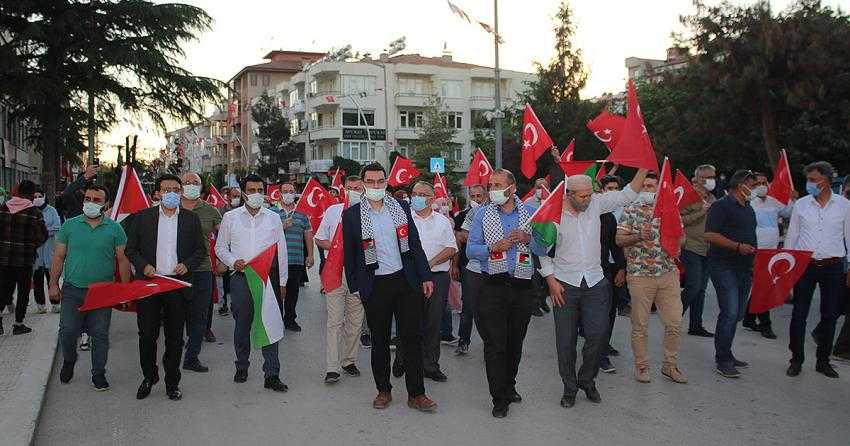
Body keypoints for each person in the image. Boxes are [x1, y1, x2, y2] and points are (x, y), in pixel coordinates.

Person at [535, 169, 647, 410]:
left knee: (597, 337)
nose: (588, 200)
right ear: (569, 194)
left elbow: (628, 195)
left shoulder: (596, 204)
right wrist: (551, 281)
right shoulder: (553, 212)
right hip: (564, 285)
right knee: (566, 341)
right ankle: (569, 387)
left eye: (590, 195)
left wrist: (644, 166)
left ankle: (587, 379)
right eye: (583, 197)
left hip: (596, 283)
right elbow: (542, 249)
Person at [341, 163, 436, 413]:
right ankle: (383, 390)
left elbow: (415, 245)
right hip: (375, 285)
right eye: (370, 182)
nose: (375, 186)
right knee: (380, 341)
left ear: (386, 182)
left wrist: (425, 275)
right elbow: (350, 257)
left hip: (406, 282)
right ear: (362, 184)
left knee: (412, 340)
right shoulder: (352, 216)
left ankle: (417, 394)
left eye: (380, 181)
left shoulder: (401, 208)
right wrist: (357, 287)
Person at [125, 174, 207, 401]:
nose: (170, 193)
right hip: (149, 284)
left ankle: (172, 382)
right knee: (147, 334)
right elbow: (130, 250)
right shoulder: (143, 218)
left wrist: (186, 265)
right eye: (166, 189)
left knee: (174, 337)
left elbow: (200, 251)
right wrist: (144, 266)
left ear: (180, 192)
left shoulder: (191, 219)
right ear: (158, 193)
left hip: (175, 285)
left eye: (174, 189)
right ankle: (149, 376)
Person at [467, 168, 538, 418]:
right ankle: (499, 397)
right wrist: (491, 247)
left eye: (498, 185)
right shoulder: (482, 214)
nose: (493, 190)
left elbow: (545, 246)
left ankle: (510, 385)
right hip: (493, 285)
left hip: (522, 286)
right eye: (491, 185)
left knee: (515, 342)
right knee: (496, 344)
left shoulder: (530, 212)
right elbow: (470, 250)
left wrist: (528, 239)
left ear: (513, 187)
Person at [49, 184, 129, 390]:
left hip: (102, 292)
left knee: (100, 334)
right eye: (88, 199)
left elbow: (122, 260)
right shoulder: (70, 226)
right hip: (73, 289)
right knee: (67, 331)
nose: (91, 203)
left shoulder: (115, 229)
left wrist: (125, 291)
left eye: (96, 200)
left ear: (106, 205)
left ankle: (98, 374)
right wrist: (53, 284)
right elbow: (58, 256)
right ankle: (69, 360)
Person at [214, 174, 289, 393]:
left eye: (259, 190)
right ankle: (242, 366)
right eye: (251, 190)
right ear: (244, 192)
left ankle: (272, 374)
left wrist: (283, 281)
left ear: (264, 192)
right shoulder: (231, 217)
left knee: (270, 322)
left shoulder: (273, 218)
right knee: (243, 324)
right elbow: (220, 248)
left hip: (268, 279)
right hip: (241, 277)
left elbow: (281, 250)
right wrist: (231, 261)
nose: (255, 194)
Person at [616, 173, 688, 384]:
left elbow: (682, 238)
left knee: (675, 322)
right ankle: (642, 366)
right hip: (640, 275)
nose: (647, 190)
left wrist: (676, 243)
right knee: (640, 324)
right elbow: (619, 240)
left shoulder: (670, 211)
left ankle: (670, 366)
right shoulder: (630, 210)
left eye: (651, 186)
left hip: (667, 274)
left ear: (659, 188)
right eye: (644, 186)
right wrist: (638, 236)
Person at [785, 162, 850, 379]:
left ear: (826, 180)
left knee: (830, 315)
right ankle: (796, 360)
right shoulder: (801, 205)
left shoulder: (844, 205)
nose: (809, 184)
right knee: (799, 314)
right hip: (805, 265)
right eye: (808, 180)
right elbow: (792, 237)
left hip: (833, 266)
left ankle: (823, 361)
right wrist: (787, 267)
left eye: (813, 180)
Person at [704, 169, 758, 379]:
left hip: (745, 267)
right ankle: (723, 359)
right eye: (751, 186)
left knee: (736, 314)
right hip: (723, 266)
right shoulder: (721, 206)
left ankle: (727, 352)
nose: (754, 189)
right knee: (729, 311)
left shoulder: (748, 208)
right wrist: (737, 247)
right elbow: (709, 234)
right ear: (739, 185)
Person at [315, 176, 366, 384]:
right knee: (335, 321)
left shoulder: (369, 212)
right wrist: (336, 248)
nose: (353, 191)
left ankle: (349, 361)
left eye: (357, 188)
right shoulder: (333, 211)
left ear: (363, 190)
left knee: (355, 321)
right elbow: (319, 238)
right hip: (336, 271)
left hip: (359, 273)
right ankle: (332, 368)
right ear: (344, 189)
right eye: (350, 188)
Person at [406, 181, 458, 382]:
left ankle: (431, 365)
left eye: (421, 194)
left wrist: (429, 264)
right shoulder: (405, 220)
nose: (416, 197)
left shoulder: (442, 221)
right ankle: (407, 360)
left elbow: (452, 248)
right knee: (410, 321)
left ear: (431, 198)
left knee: (433, 323)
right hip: (411, 278)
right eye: (414, 193)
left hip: (437, 278)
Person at [180, 172, 222, 372]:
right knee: (176, 313)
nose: (190, 185)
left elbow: (223, 237)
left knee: (200, 315)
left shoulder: (211, 211)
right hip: (175, 271)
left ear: (201, 186)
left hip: (203, 269)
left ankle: (192, 357)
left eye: (194, 183)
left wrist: (223, 260)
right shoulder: (170, 208)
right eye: (186, 182)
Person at [742, 172, 792, 339]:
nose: (762, 185)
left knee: (762, 286)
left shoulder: (773, 202)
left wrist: (791, 197)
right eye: (758, 183)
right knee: (763, 286)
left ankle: (749, 318)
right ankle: (765, 324)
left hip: (772, 250)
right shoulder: (749, 204)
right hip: (756, 251)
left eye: (764, 182)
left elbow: (788, 212)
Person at [0, 180, 48, 335]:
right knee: (23, 292)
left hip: (4, 259)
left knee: (4, 290)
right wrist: (31, 245)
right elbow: (42, 236)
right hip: (25, 260)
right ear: (32, 194)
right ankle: (18, 324)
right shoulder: (35, 212)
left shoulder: (3, 208)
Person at [680, 164, 718, 337]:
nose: (712, 180)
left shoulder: (712, 198)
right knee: (693, 286)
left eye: (713, 177)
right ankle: (673, 317)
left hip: (708, 248)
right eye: (709, 177)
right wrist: (701, 212)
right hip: (691, 246)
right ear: (699, 179)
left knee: (701, 289)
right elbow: (679, 220)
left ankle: (696, 325)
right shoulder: (688, 196)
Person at [453, 184, 488, 355]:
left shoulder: (493, 214)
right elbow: (458, 239)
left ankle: (489, 343)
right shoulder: (462, 216)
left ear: (486, 196)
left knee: (489, 308)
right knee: (468, 306)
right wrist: (454, 265)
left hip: (491, 268)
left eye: (479, 196)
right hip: (469, 267)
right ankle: (463, 341)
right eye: (473, 196)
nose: (476, 200)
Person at [275, 182, 314, 331]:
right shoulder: (271, 212)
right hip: (276, 261)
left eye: (291, 191)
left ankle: (290, 320)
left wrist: (310, 255)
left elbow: (308, 233)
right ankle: (276, 320)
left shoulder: (302, 213)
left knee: (293, 293)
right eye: (285, 191)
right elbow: (266, 234)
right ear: (279, 193)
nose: (288, 194)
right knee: (278, 291)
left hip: (296, 260)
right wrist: (281, 226)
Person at [598, 175, 627, 373]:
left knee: (609, 312)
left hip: (611, 270)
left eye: (617, 188)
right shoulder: (594, 213)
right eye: (609, 188)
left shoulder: (611, 216)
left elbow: (614, 246)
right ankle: (597, 352)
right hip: (591, 272)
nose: (613, 192)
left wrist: (622, 268)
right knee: (597, 314)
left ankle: (602, 346)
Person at [32, 186, 62, 314]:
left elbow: (57, 227)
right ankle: (40, 304)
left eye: (39, 196)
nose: (37, 199)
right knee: (37, 279)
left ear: (44, 196)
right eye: (34, 197)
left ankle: (55, 303)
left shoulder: (52, 211)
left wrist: (43, 232)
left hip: (50, 249)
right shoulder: (30, 211)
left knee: (52, 278)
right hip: (36, 251)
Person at [831, 177, 850, 363]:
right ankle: (842, 348)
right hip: (841, 261)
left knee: (841, 302)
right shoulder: (841, 206)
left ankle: (821, 332)